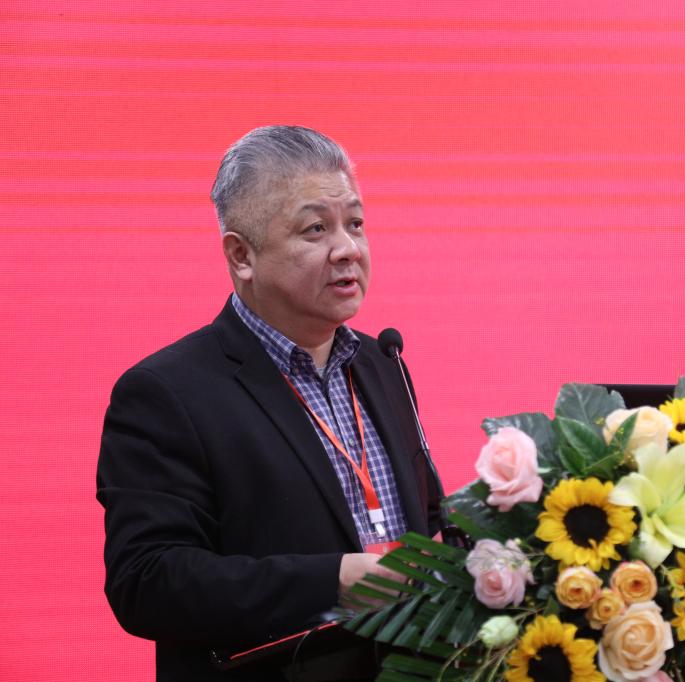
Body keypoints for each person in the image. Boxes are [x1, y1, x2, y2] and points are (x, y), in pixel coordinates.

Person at [97, 126, 441, 681]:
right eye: (315, 229)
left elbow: (424, 521)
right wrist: (336, 581)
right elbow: (148, 581)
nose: (348, 249)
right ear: (242, 255)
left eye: (355, 223)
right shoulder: (166, 393)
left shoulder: (383, 362)